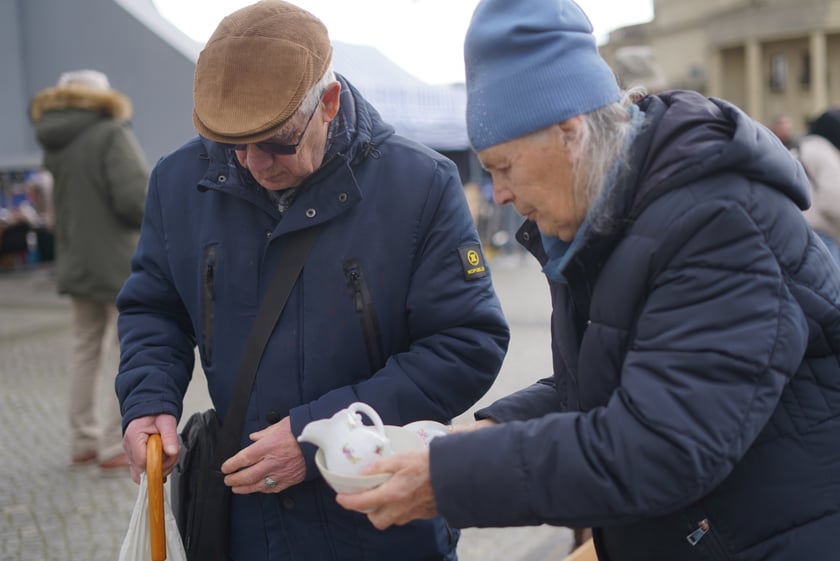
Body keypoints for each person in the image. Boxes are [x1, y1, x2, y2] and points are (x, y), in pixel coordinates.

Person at [336, 1, 840, 560]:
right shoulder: (609, 218)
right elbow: (609, 383)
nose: (497, 193)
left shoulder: (718, 222)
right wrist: (489, 431)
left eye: (503, 165)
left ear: (570, 133)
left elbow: (659, 447)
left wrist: (450, 478)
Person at [114, 2, 509, 560]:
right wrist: (148, 397)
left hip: (379, 516)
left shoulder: (420, 185)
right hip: (247, 526)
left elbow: (468, 343)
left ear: (329, 103)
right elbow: (155, 308)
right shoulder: (179, 181)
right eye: (232, 142)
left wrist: (319, 434)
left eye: (276, 142)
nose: (253, 163)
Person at [29, 69, 148, 471]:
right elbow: (135, 199)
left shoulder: (53, 140)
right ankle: (116, 444)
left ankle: (83, 440)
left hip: (76, 259)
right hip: (117, 261)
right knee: (128, 350)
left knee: (84, 351)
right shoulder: (110, 133)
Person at [796, 109, 840, 265]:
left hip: (797, 229)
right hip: (823, 235)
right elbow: (834, 201)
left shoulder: (800, 148)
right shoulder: (826, 154)